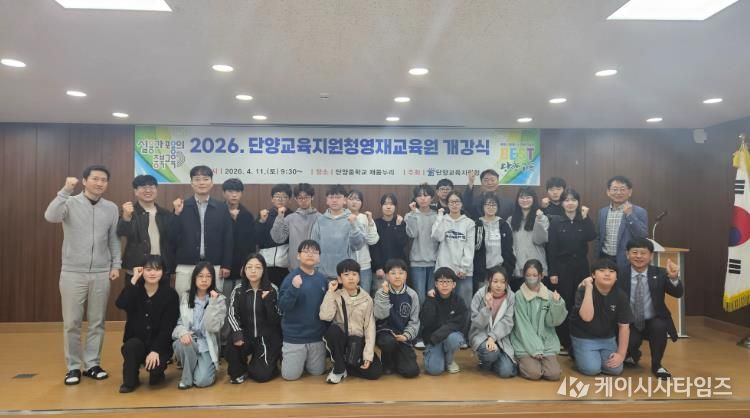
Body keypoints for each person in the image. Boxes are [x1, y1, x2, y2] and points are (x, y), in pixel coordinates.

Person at [44, 165, 121, 385]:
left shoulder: (111, 208)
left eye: (104, 180)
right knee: (72, 323)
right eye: (95, 179)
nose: (99, 183)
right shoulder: (69, 203)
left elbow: (114, 239)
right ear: (85, 181)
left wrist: (116, 264)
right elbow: (50, 216)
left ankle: (92, 364)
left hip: (101, 272)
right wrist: (65, 190)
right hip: (72, 272)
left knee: (97, 322)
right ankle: (73, 367)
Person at [621, 238, 683, 380]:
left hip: (653, 320)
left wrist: (674, 278)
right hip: (629, 322)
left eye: (643, 253)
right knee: (630, 341)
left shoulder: (660, 273)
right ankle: (632, 354)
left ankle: (657, 365)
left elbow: (677, 293)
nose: (639, 256)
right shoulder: (620, 273)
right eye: (634, 252)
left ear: (651, 256)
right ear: (627, 254)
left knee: (659, 327)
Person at [115, 256, 179, 393]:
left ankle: (158, 372)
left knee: (155, 376)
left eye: (157, 269)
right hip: (137, 341)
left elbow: (168, 327)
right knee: (131, 347)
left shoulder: (170, 294)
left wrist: (155, 350)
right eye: (148, 269)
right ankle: (131, 378)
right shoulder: (134, 289)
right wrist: (133, 279)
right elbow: (120, 303)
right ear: (141, 271)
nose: (152, 273)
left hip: (160, 344)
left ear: (163, 272)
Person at [171, 165, 232, 301]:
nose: (201, 183)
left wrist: (226, 264)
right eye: (197, 179)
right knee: (183, 302)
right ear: (191, 183)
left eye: (205, 179)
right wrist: (176, 214)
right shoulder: (181, 206)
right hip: (186, 265)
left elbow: (228, 237)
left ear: (212, 182)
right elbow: (172, 237)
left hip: (214, 265)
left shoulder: (222, 207)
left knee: (213, 303)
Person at [547, 188, 596, 354]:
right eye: (566, 200)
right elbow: (552, 248)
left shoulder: (583, 219)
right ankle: (564, 340)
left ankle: (579, 338)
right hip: (562, 268)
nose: (570, 203)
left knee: (580, 301)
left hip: (581, 267)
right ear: (562, 203)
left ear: (578, 202)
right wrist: (553, 272)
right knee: (565, 303)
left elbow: (592, 235)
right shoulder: (556, 221)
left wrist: (586, 217)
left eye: (573, 200)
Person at [319, 259, 383, 383]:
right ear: (339, 278)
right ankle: (339, 369)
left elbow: (370, 328)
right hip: (341, 341)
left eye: (354, 274)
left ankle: (345, 366)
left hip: (357, 342)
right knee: (333, 331)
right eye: (346, 274)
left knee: (375, 372)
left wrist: (368, 355)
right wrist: (330, 292)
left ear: (359, 277)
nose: (351, 278)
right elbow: (325, 316)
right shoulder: (335, 295)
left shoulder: (367, 299)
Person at [225, 253, 283, 383]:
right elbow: (232, 314)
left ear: (263, 270)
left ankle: (266, 363)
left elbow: (277, 319)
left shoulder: (273, 289)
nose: (253, 271)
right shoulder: (238, 290)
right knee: (231, 346)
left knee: (261, 375)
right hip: (246, 334)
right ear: (244, 270)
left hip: (266, 337)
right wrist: (237, 333)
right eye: (249, 267)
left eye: (258, 267)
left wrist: (268, 302)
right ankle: (241, 369)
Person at [569, 258, 632, 376]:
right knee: (592, 369)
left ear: (616, 277)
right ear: (593, 275)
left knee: (615, 369)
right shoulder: (583, 289)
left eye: (612, 271)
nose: (607, 274)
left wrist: (621, 354)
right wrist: (589, 288)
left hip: (607, 338)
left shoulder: (621, 295)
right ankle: (576, 350)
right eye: (602, 270)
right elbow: (587, 317)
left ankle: (587, 354)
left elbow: (624, 326)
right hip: (584, 336)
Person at [277, 240, 329, 380]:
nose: (310, 254)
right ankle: (288, 357)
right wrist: (294, 288)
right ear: (298, 256)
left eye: (314, 252)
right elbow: (283, 306)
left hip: (316, 337)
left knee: (317, 372)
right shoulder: (290, 278)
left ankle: (305, 360)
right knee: (290, 376)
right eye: (306, 251)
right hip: (295, 337)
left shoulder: (322, 279)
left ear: (319, 258)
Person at [172, 262, 227, 389]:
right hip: (189, 341)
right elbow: (179, 323)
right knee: (183, 343)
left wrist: (212, 303)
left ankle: (193, 366)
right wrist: (183, 333)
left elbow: (212, 327)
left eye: (208, 276)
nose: (204, 280)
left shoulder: (219, 299)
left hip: (206, 344)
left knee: (202, 381)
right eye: (200, 276)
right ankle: (186, 379)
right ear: (194, 278)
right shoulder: (186, 296)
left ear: (213, 279)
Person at [510, 259, 566, 381]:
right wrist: (535, 348)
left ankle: (542, 363)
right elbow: (522, 325)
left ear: (541, 275)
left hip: (546, 343)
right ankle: (520, 361)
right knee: (534, 373)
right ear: (524, 276)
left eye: (535, 275)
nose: (531, 278)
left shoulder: (550, 295)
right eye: (528, 275)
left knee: (553, 374)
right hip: (524, 343)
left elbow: (553, 322)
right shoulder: (519, 296)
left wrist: (556, 304)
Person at [118, 174, 175, 284]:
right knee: (134, 295)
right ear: (135, 191)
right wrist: (126, 217)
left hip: (160, 268)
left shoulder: (165, 214)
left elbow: (172, 239)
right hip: (136, 268)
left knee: (162, 295)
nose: (148, 190)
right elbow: (121, 232)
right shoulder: (130, 212)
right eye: (143, 187)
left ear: (156, 190)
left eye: (152, 187)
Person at [431, 191, 475, 323]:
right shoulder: (442, 220)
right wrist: (440, 217)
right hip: (445, 270)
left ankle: (464, 332)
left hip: (464, 271)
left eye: (457, 202)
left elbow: (469, 247)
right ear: (447, 204)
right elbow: (437, 236)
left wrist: (464, 267)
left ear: (462, 204)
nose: (454, 204)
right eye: (451, 202)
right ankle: (444, 331)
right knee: (444, 306)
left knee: (465, 305)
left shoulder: (469, 223)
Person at [373, 259, 421, 378]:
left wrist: (406, 335)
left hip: (403, 335)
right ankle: (387, 362)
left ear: (406, 275)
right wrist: (385, 294)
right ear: (387, 276)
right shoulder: (380, 293)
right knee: (388, 342)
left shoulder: (412, 295)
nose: (397, 276)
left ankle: (399, 359)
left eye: (401, 273)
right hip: (385, 333)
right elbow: (380, 315)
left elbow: (414, 321)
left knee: (411, 371)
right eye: (393, 273)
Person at [469, 266, 517, 378]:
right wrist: (487, 308)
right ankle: (486, 361)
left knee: (506, 372)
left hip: (501, 338)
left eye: (502, 282)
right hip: (482, 335)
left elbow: (508, 322)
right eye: (495, 281)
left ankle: (493, 362)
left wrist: (493, 337)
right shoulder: (480, 295)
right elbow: (476, 323)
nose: (499, 285)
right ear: (489, 281)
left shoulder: (511, 297)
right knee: (490, 354)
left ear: (506, 283)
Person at [310, 185, 366, 279]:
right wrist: (315, 268)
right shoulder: (320, 221)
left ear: (345, 200)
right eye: (331, 197)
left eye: (338, 197)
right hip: (323, 273)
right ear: (327, 200)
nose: (334, 200)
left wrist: (353, 225)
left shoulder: (352, 219)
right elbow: (314, 247)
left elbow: (358, 246)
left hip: (346, 273)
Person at [421, 267, 469, 375]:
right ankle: (431, 354)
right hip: (433, 340)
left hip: (446, 337)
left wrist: (439, 334)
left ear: (454, 284)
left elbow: (460, 323)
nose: (445, 285)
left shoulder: (458, 301)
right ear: (436, 284)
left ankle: (449, 359)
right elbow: (426, 322)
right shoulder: (430, 299)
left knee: (455, 339)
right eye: (441, 281)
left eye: (448, 281)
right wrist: (430, 300)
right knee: (435, 370)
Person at [594, 175, 648, 271]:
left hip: (627, 261)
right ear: (608, 192)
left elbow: (642, 236)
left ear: (630, 192)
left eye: (622, 189)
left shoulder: (639, 211)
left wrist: (630, 215)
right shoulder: (602, 212)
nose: (618, 193)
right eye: (615, 189)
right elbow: (599, 237)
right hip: (604, 259)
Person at [270, 183, 321, 272]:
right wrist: (280, 217)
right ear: (296, 199)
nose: (303, 200)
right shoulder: (290, 218)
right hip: (295, 266)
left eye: (306, 197)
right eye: (300, 198)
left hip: (316, 267)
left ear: (312, 197)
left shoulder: (320, 218)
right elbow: (278, 238)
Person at [508, 187, 549, 292]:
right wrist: (514, 266)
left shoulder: (542, 218)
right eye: (522, 197)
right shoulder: (511, 220)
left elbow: (539, 240)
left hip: (537, 268)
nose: (525, 200)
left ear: (533, 199)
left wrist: (538, 220)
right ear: (517, 200)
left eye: (528, 197)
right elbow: (509, 246)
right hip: (518, 269)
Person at [404, 183, 439, 306]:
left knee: (433, 297)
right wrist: (414, 214)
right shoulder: (409, 215)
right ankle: (419, 319)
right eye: (419, 196)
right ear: (415, 199)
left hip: (435, 263)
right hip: (417, 262)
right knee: (419, 298)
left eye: (426, 195)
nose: (423, 198)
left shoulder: (437, 216)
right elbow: (412, 234)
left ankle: (431, 319)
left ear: (432, 198)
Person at [473, 193, 516, 293]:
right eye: (488, 204)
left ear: (498, 207)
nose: (490, 207)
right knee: (483, 299)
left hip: (500, 270)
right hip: (482, 272)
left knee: (500, 298)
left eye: (493, 205)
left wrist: (508, 270)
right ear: (482, 206)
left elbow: (509, 249)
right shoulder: (477, 224)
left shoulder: (504, 225)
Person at [222, 178, 257, 297]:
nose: (234, 195)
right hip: (221, 267)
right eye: (230, 191)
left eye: (237, 191)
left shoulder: (247, 215)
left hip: (241, 267)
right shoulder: (217, 212)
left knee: (240, 300)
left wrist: (247, 264)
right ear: (224, 193)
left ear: (241, 193)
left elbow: (251, 244)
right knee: (221, 300)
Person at [370, 193, 408, 297]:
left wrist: (398, 226)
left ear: (395, 206)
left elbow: (403, 243)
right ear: (381, 206)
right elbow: (373, 247)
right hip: (381, 270)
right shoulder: (376, 223)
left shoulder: (400, 222)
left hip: (398, 270)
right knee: (381, 297)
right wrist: (378, 267)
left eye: (391, 204)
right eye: (385, 204)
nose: (388, 206)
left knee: (398, 298)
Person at [256, 183, 293, 287]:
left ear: (289, 200)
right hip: (266, 265)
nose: (280, 199)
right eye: (277, 196)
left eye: (284, 197)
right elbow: (257, 239)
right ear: (272, 199)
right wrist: (261, 222)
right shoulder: (264, 215)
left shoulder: (292, 216)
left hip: (285, 266)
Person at [346, 189, 380, 294]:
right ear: (345, 201)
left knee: (365, 295)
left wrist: (370, 222)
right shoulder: (341, 217)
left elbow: (373, 240)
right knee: (347, 296)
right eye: (351, 199)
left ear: (361, 203)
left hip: (364, 265)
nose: (354, 202)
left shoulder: (365, 218)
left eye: (357, 199)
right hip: (346, 265)